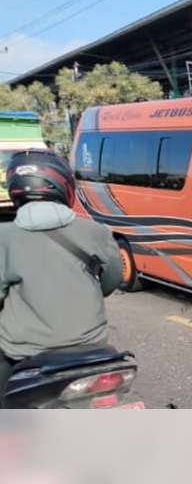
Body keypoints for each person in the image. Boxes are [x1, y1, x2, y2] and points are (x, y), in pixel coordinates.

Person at [0, 150, 123, 405]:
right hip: (92, 346)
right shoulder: (96, 231)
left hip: (24, 352)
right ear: (64, 186)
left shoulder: (4, 237)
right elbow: (111, 281)